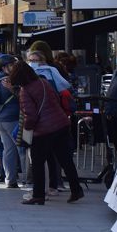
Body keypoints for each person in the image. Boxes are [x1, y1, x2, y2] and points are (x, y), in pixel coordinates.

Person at [10, 62, 85, 205]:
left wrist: (27, 129)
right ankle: (76, 189)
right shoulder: (43, 82)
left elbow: (30, 115)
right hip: (61, 124)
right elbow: (56, 100)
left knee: (38, 162)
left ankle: (38, 195)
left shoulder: (25, 91)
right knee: (65, 160)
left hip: (44, 130)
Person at [0, 54, 24, 190]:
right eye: (12, 65)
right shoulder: (10, 81)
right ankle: (26, 179)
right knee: (22, 150)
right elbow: (22, 97)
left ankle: (10, 179)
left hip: (0, 119)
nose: (14, 67)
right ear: (4, 67)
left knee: (8, 150)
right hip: (13, 119)